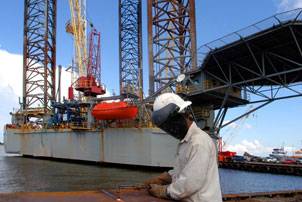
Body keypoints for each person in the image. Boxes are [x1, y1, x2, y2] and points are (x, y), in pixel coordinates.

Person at [144, 93, 222, 202]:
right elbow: (185, 171)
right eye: (166, 127)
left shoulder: (199, 142)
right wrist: (166, 177)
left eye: (170, 125)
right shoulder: (187, 141)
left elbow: (190, 183)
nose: (171, 130)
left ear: (183, 114)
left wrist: (164, 191)